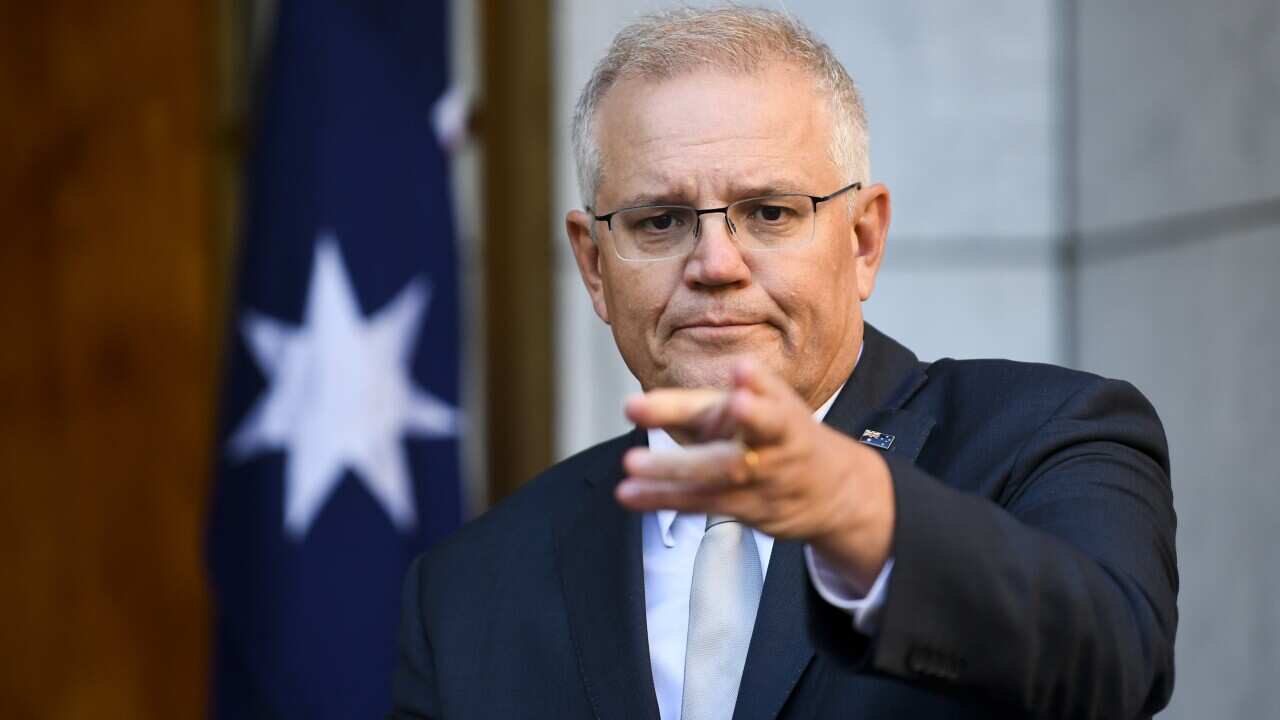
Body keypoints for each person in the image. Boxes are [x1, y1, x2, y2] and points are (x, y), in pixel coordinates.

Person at [389, 7, 1177, 719]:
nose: (716, 264)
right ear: (595, 267)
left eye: (768, 213)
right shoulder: (466, 589)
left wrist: (859, 513)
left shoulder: (1048, 437)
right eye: (661, 221)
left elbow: (1116, 665)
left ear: (863, 241)